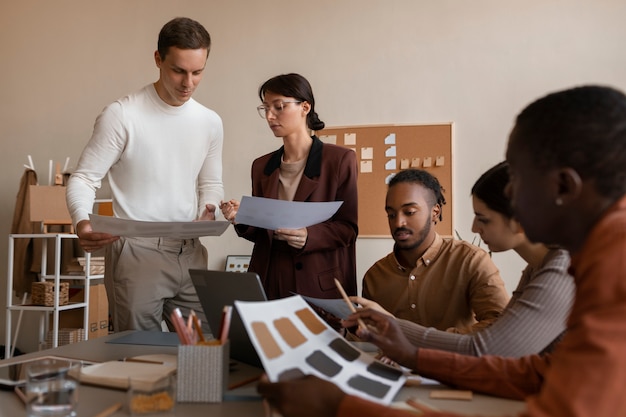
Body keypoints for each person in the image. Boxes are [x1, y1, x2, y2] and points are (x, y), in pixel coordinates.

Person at [257, 85, 626, 417]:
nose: (509, 196)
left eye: (517, 178)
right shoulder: (586, 256)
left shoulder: (611, 264)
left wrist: (339, 407)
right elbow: (536, 374)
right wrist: (411, 354)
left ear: (564, 186)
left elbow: (498, 352)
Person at [66, 17, 223, 333]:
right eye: (179, 70)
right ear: (158, 60)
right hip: (137, 252)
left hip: (190, 251)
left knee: (206, 352)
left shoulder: (209, 121)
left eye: (197, 72)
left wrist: (210, 209)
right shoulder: (122, 115)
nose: (188, 83)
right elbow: (84, 178)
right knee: (140, 360)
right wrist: (82, 221)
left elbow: (210, 183)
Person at [354, 161, 574, 357]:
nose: (474, 228)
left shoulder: (563, 267)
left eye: (483, 219)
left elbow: (490, 347)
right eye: (391, 214)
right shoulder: (535, 268)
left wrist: (394, 327)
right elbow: (502, 337)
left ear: (520, 219)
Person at [220, 73, 358, 303]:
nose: (270, 116)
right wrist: (241, 217)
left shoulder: (340, 160)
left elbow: (348, 228)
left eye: (279, 107)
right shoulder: (261, 166)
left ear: (305, 107)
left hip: (317, 284)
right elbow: (264, 233)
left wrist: (309, 236)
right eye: (265, 108)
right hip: (269, 280)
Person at [360, 169, 509, 334]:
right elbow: (371, 338)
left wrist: (428, 343)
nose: (398, 222)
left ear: (435, 212)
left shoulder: (470, 260)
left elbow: (500, 324)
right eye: (391, 214)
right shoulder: (374, 277)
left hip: (457, 359)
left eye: (409, 212)